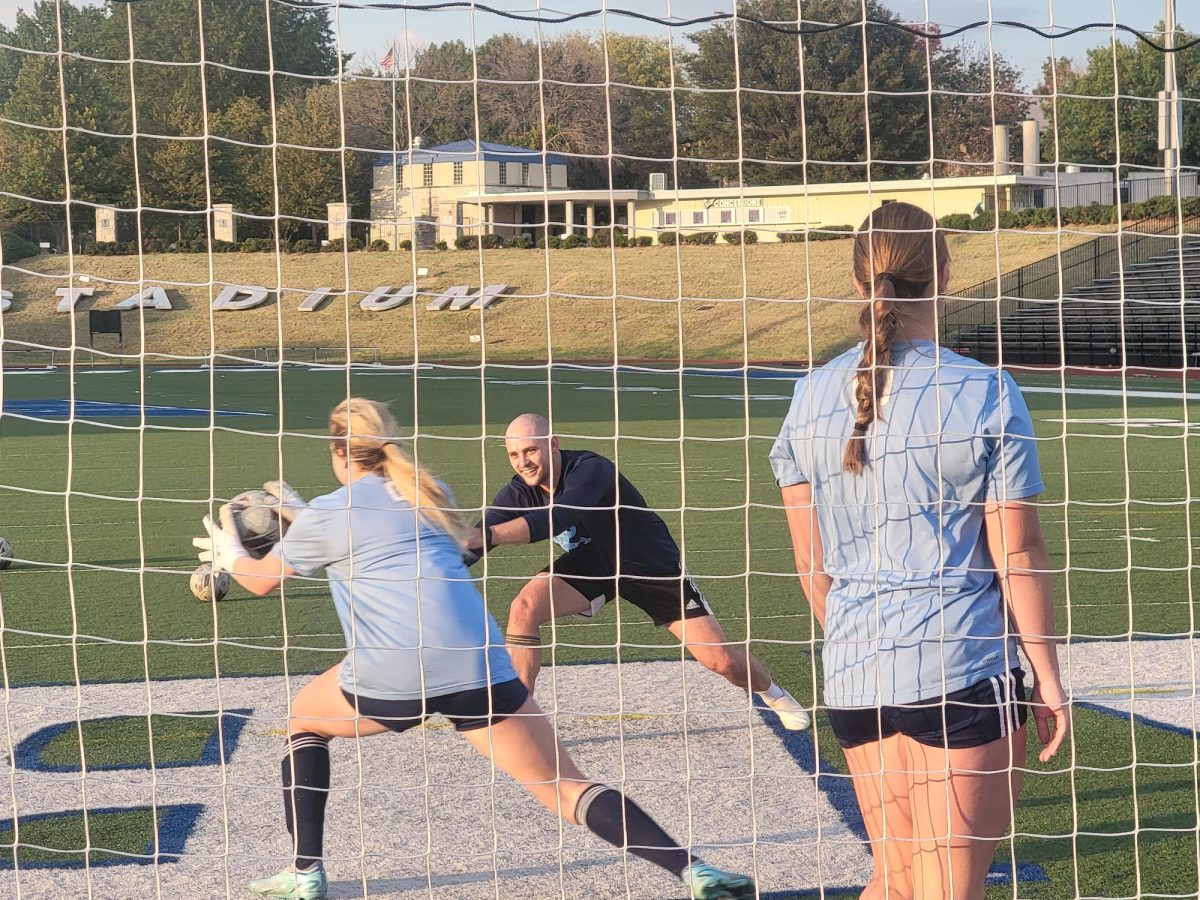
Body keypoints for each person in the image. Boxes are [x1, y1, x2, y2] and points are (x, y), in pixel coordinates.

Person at [193, 398, 755, 900]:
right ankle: (693, 870)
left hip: (395, 670)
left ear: (338, 453)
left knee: (302, 721)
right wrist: (304, 518)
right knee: (565, 786)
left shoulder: (329, 514)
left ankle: (304, 872)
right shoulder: (431, 493)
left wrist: (229, 549)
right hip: (478, 661)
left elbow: (260, 580)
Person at [769, 201, 1070, 899]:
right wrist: (1047, 677)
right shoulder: (988, 392)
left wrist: (871, 641)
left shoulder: (808, 398)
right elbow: (1017, 555)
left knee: (895, 883)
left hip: (854, 678)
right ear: (942, 273)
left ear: (856, 280)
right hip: (960, 672)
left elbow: (812, 571)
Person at [465, 413, 810, 731]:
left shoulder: (590, 468)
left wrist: (489, 535)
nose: (523, 462)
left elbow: (559, 518)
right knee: (524, 606)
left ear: (552, 444)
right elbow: (479, 538)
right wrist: (442, 564)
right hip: (593, 565)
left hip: (648, 563)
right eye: (514, 455)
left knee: (721, 661)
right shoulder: (518, 491)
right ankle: (519, 719)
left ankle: (772, 692)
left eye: (531, 450)